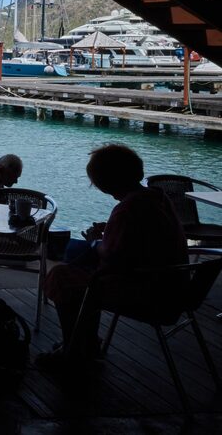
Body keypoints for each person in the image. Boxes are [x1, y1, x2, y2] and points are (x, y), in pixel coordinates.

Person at [37, 144, 187, 371]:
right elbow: (144, 240)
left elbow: (113, 258)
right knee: (83, 277)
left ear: (106, 182)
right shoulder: (157, 199)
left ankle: (74, 351)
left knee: (62, 277)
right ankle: (85, 343)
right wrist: (112, 232)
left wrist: (95, 242)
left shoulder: (127, 209)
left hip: (148, 294)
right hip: (175, 289)